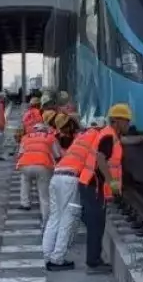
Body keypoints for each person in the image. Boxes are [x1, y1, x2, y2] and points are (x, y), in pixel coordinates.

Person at [41, 105, 129, 273]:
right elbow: (103, 156)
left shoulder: (82, 135)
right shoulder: (101, 136)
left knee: (54, 218)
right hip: (71, 179)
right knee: (68, 219)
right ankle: (57, 259)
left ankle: (46, 255)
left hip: (57, 175)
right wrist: (111, 182)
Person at [17, 122, 62, 224]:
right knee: (44, 193)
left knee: (25, 179)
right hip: (43, 165)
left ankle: (25, 203)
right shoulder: (50, 137)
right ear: (45, 129)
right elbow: (57, 155)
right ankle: (46, 218)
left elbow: (20, 153)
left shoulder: (26, 137)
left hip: (25, 164)